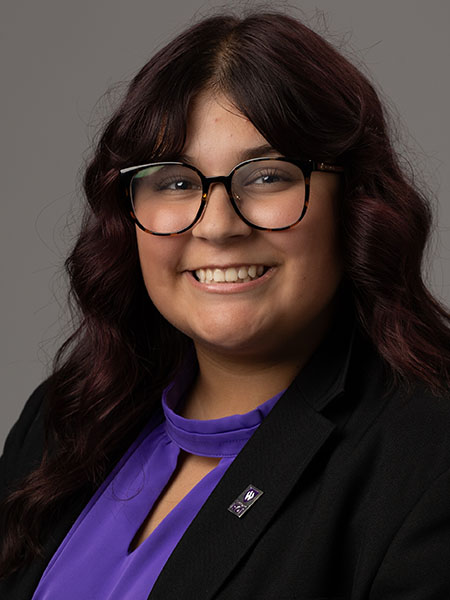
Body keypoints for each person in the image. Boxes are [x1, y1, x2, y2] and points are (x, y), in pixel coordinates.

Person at [1, 9, 449, 600]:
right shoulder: (64, 418)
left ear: (355, 202)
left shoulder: (428, 462)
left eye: (266, 177)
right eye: (175, 181)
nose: (216, 226)